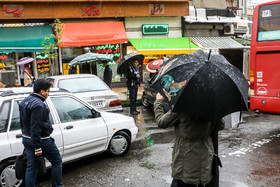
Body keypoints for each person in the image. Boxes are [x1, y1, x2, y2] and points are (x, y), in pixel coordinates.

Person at [154, 93, 224, 187]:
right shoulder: (211, 107)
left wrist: (158, 101)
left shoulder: (181, 108)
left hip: (186, 160)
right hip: (205, 159)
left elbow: (161, 122)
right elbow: (221, 125)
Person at [19, 79, 62, 187]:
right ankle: (57, 185)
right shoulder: (38, 105)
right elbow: (35, 127)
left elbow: (23, 122)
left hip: (27, 138)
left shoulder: (25, 101)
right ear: (42, 91)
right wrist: (37, 147)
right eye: (48, 91)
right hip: (42, 140)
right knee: (57, 161)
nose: (48, 94)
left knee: (31, 167)